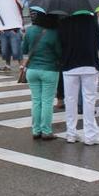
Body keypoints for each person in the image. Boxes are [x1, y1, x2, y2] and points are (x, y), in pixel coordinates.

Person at [58, 13, 99, 145]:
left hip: (69, 65)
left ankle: (71, 133)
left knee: (70, 100)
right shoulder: (90, 19)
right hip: (89, 63)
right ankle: (90, 135)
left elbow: (60, 42)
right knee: (89, 100)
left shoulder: (64, 21)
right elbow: (97, 40)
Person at [22, 12, 62, 140]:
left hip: (32, 70)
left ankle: (36, 130)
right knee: (47, 101)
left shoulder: (29, 31)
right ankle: (46, 130)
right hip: (49, 70)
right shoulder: (54, 33)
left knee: (36, 101)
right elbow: (59, 53)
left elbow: (24, 50)